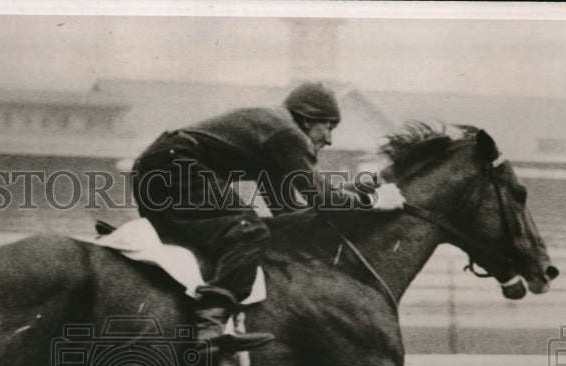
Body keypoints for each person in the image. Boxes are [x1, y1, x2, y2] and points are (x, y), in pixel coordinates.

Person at [131, 81, 405, 352]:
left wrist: (353, 193)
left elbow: (289, 212)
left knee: (238, 234)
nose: (330, 139)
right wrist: (373, 200)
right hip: (174, 163)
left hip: (155, 166)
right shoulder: (288, 134)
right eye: (329, 126)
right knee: (247, 230)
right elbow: (324, 201)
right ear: (308, 120)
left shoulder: (272, 135)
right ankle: (210, 324)